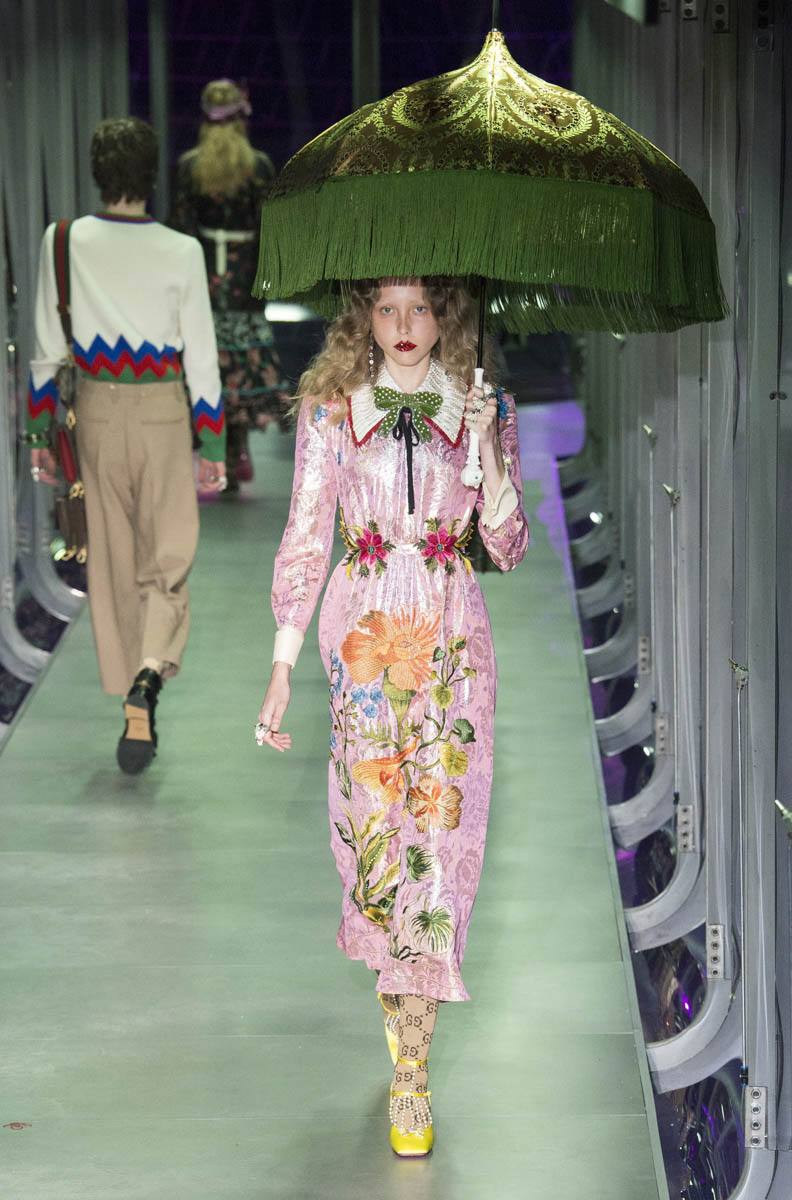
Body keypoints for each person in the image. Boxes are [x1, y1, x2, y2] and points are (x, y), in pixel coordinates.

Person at [255, 277, 529, 1156]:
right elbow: (307, 536)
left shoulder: (483, 406)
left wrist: (487, 451)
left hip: (453, 638)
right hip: (364, 634)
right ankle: (394, 972)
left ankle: (413, 1066)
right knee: (373, 829)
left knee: (440, 835)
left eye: (421, 308)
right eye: (387, 309)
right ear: (362, 317)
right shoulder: (332, 411)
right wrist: (281, 666)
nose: (405, 327)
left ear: (447, 311)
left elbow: (509, 546)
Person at [26, 116, 226, 774]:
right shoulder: (182, 250)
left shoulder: (62, 242)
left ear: (96, 172)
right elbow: (201, 359)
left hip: (97, 411)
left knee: (112, 559)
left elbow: (45, 352)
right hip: (164, 408)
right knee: (167, 556)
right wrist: (212, 446)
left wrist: (39, 433)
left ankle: (129, 692)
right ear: (152, 174)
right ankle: (148, 672)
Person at [170, 79, 291, 492]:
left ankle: (209, 447)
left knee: (204, 360)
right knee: (239, 364)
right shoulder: (259, 166)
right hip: (245, 278)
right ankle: (237, 449)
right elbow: (269, 229)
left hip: (203, 276)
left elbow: (181, 228)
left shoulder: (190, 166)